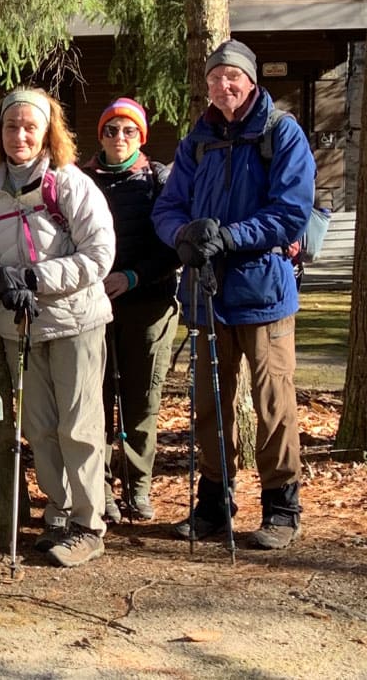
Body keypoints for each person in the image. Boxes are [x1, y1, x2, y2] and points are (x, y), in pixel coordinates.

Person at [152, 39, 315, 550]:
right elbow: (167, 208)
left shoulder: (280, 133)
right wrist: (186, 235)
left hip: (263, 292)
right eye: (214, 78)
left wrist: (229, 235)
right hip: (206, 295)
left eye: (232, 77)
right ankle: (213, 507)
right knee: (208, 405)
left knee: (272, 405)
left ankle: (282, 508)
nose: (223, 86)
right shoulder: (195, 141)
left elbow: (291, 212)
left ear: (251, 82)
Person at [0, 87, 115, 568]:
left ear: (48, 131)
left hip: (75, 321)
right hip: (18, 324)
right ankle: (60, 507)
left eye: (31, 127)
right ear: (0, 131)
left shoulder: (69, 184)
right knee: (40, 426)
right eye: (12, 126)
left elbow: (98, 254)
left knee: (79, 424)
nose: (21, 136)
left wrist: (35, 277)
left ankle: (89, 524)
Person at [81, 98, 180, 523]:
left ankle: (138, 488)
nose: (119, 138)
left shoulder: (160, 181)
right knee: (93, 400)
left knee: (142, 401)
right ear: (99, 135)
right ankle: (99, 488)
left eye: (128, 131)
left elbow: (172, 247)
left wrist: (133, 277)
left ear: (141, 137)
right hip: (92, 306)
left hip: (149, 304)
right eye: (110, 130)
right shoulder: (80, 180)